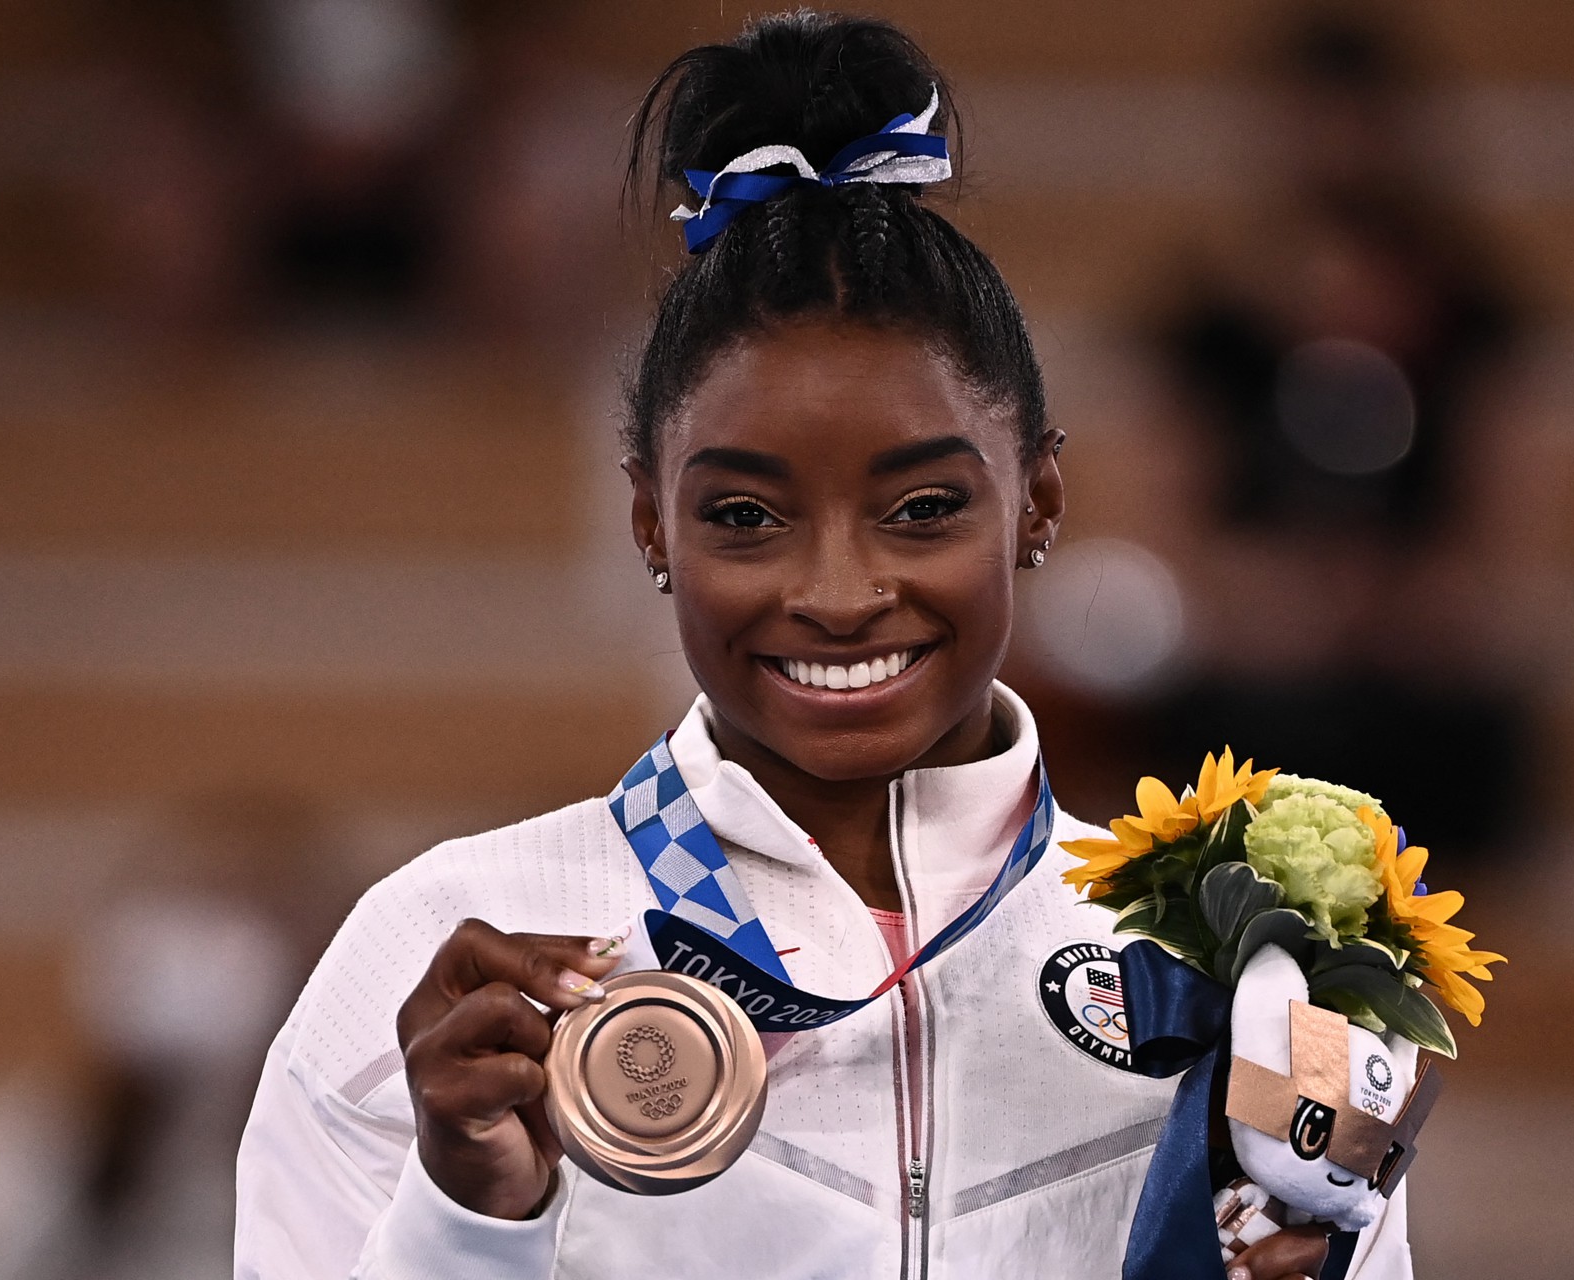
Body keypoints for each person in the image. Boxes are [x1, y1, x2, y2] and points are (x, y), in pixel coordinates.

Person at [234, 14, 1413, 1278]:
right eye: (746, 516)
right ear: (650, 523)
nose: (840, 594)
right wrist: (469, 1222)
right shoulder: (445, 953)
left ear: (1039, 501)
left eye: (924, 507)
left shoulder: (1235, 977)